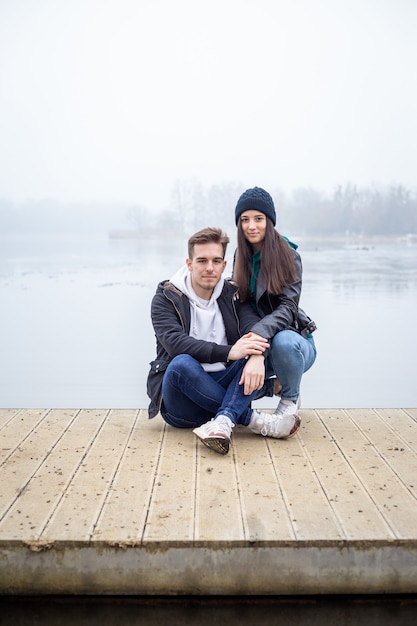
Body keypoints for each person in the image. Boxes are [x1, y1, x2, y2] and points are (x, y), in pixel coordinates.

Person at [147, 227, 301, 455]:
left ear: (224, 265)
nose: (209, 268)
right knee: (181, 364)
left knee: (252, 349)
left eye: (216, 261)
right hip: (182, 406)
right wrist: (229, 352)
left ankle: (222, 422)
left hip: (225, 385)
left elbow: (254, 330)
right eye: (202, 261)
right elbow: (175, 343)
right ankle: (256, 421)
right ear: (189, 264)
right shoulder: (167, 297)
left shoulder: (234, 294)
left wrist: (257, 356)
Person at [231, 186, 317, 433]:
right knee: (231, 371)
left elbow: (289, 307)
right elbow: (242, 302)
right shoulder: (241, 255)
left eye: (258, 219)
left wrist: (258, 336)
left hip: (294, 345)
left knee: (283, 342)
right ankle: (271, 388)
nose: (251, 226)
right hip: (260, 341)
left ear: (269, 221)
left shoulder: (289, 256)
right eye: (245, 220)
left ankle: (289, 400)